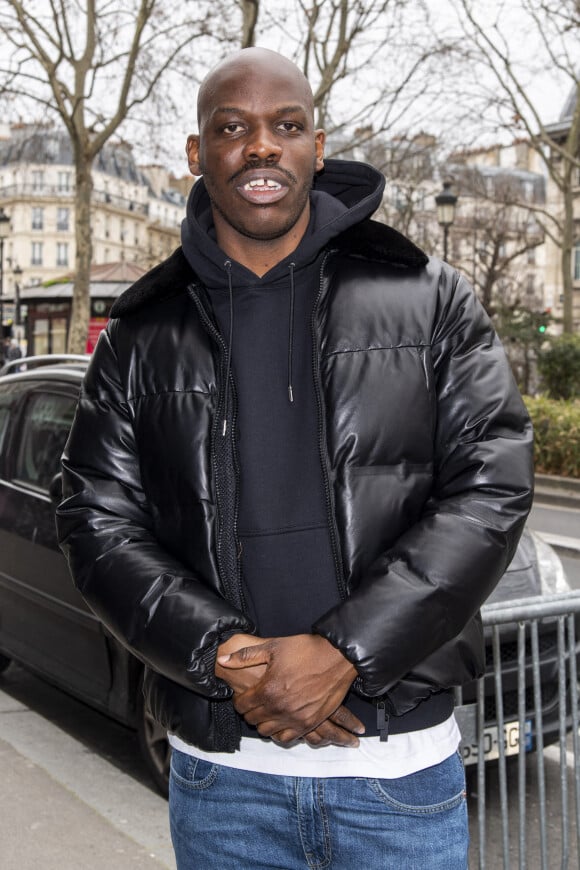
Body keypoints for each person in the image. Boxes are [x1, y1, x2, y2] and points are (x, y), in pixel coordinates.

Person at [56, 47, 534, 869]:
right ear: (197, 155)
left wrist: (347, 652)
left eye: (287, 125)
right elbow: (95, 521)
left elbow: (492, 483)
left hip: (397, 778)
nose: (262, 147)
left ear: (318, 145)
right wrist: (221, 655)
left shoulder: (429, 294)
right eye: (232, 128)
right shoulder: (141, 334)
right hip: (223, 783)